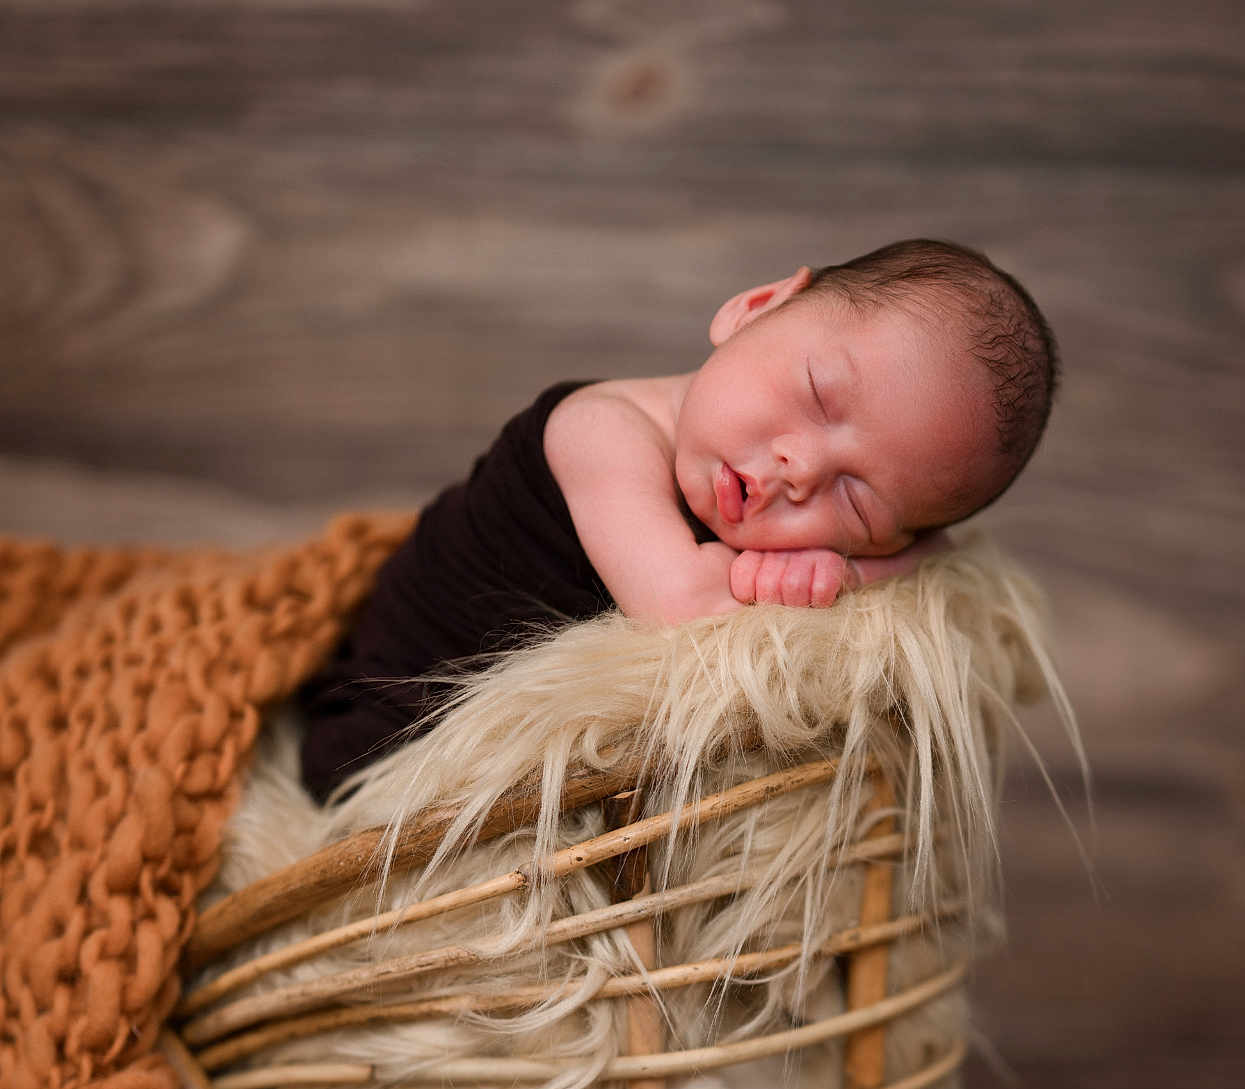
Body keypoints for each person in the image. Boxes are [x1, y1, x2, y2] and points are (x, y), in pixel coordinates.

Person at [299, 237, 1059, 802]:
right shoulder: (597, 429)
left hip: (551, 777)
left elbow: (935, 563)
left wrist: (860, 564)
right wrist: (855, 568)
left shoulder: (789, 513)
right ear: (755, 308)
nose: (799, 469)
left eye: (855, 501)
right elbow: (687, 606)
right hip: (384, 744)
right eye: (819, 395)